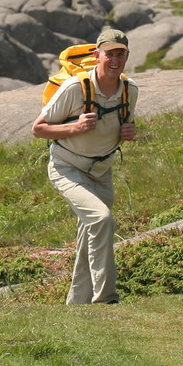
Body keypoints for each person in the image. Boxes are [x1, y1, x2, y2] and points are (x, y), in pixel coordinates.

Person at [32, 26, 139, 304]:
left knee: (91, 232)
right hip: (67, 167)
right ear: (97, 54)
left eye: (121, 54)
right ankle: (106, 298)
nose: (115, 60)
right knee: (102, 220)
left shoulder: (130, 90)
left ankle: (78, 305)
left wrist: (129, 132)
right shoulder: (75, 88)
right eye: (109, 54)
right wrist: (75, 128)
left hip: (102, 171)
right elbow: (39, 129)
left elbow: (122, 125)